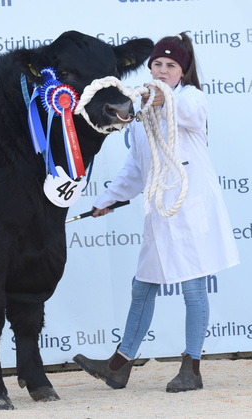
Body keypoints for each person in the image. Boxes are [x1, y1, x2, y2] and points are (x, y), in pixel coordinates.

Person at [73, 32, 240, 393]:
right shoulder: (143, 111)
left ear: (182, 71)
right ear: (149, 67)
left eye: (171, 65)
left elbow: (189, 114)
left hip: (190, 213)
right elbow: (136, 168)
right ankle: (119, 365)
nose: (162, 70)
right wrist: (106, 200)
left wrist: (161, 97)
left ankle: (192, 368)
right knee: (142, 287)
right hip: (159, 216)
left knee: (194, 290)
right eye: (157, 65)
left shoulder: (189, 99)